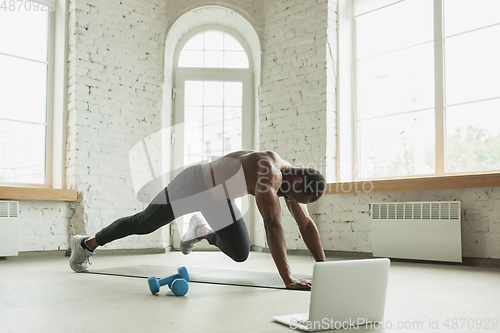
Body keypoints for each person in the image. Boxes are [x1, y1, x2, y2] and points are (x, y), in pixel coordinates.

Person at [69, 150, 327, 290]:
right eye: (297, 196)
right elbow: (273, 225)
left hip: (217, 198)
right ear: (299, 181)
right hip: (191, 184)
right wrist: (288, 279)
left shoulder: (288, 181)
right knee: (143, 223)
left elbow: (305, 224)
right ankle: (86, 244)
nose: (292, 200)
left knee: (240, 251)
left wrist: (324, 267)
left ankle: (199, 229)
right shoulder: (268, 170)